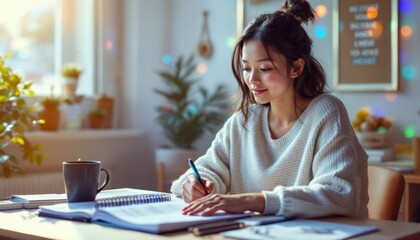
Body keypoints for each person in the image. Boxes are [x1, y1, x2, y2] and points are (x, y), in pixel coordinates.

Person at [170, 0, 368, 219]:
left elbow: (338, 194)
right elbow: (207, 170)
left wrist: (252, 200)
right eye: (246, 68)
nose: (252, 79)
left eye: (264, 68)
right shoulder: (244, 121)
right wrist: (195, 184)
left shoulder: (327, 112)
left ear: (296, 67)